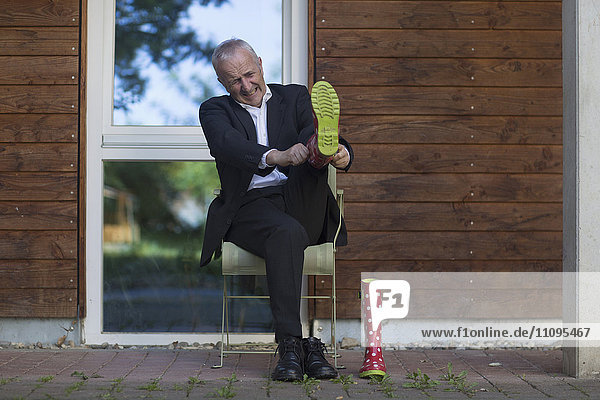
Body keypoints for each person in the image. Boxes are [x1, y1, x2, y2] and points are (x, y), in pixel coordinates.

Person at [198, 38, 353, 381]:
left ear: (261, 64)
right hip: (250, 207)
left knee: (317, 142)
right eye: (234, 81)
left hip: (302, 197)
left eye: (250, 74)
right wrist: (274, 156)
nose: (246, 85)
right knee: (286, 231)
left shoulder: (296, 96)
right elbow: (228, 145)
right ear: (222, 83)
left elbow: (310, 127)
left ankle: (323, 151)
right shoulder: (214, 110)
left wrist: (339, 153)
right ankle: (299, 345)